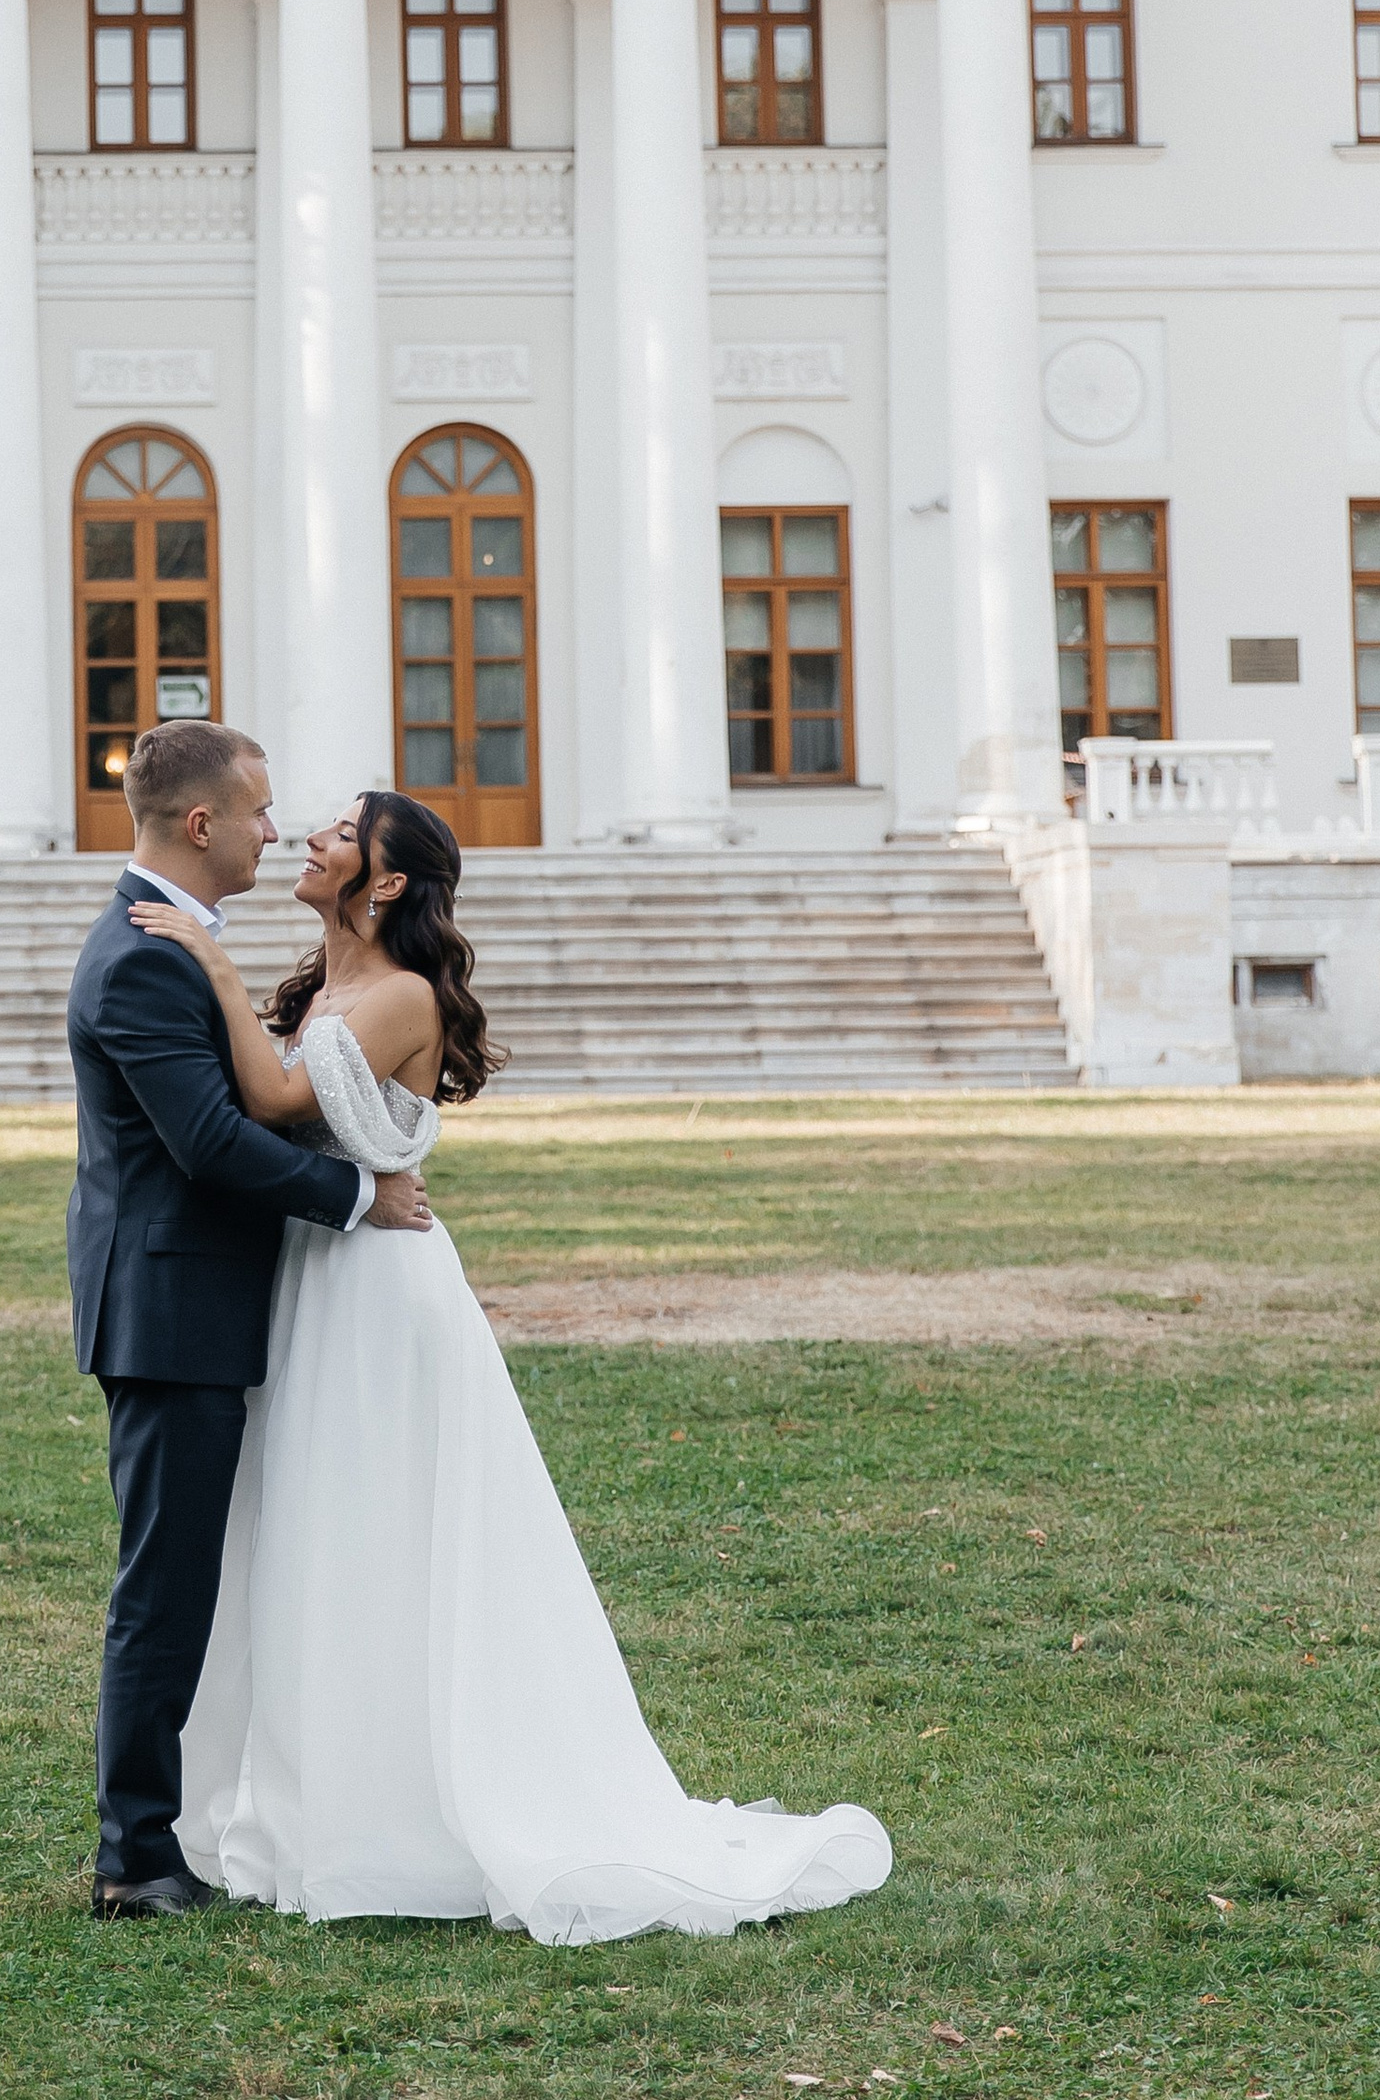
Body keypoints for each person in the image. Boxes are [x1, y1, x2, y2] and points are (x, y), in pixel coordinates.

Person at [133, 789, 895, 1946]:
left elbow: (279, 1098)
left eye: (340, 835)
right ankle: (314, 1787)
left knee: (388, 1524)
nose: (311, 840)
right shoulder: (333, 981)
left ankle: (408, 1805)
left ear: (385, 882)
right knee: (313, 1528)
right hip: (321, 1272)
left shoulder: (396, 995)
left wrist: (210, 966)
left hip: (379, 1292)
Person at [64, 720, 434, 1919]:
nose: (280, 830)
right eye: (264, 812)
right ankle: (135, 1857)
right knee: (163, 1589)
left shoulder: (187, 949)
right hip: (170, 1309)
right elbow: (213, 1142)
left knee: (206, 1580)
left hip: (211, 1300)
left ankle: (204, 1820)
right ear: (202, 823)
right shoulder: (141, 957)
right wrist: (355, 1194)